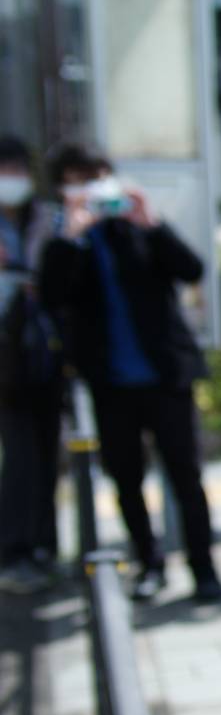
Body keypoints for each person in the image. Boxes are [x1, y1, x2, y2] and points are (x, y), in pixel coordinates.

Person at [38, 141, 221, 603]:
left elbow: (191, 268)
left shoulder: (137, 229)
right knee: (126, 479)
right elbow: (51, 297)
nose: (89, 190)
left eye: (96, 178)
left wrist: (152, 223)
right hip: (110, 383)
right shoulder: (66, 240)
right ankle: (149, 563)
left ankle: (204, 569)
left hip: (165, 376)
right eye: (77, 181)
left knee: (186, 475)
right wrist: (71, 236)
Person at [0, 136, 65, 594]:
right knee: (19, 456)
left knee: (46, 454)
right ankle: (15, 549)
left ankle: (43, 544)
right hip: (5, 362)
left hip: (46, 356)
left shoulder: (49, 220)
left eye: (17, 169)